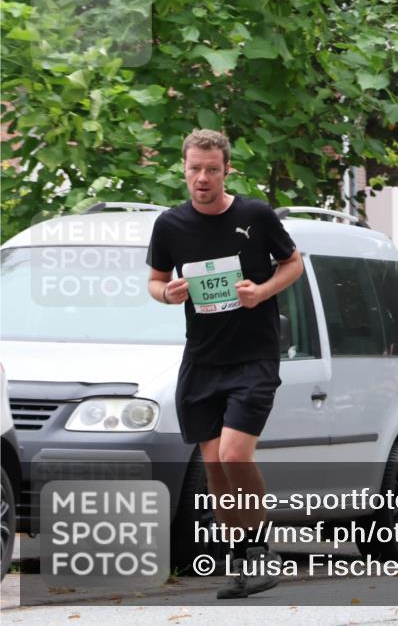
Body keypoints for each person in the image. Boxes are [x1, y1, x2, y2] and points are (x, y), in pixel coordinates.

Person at [146, 129, 303, 598]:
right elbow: (155, 281)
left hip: (253, 357)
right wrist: (167, 293)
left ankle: (260, 551)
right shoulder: (169, 226)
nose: (202, 177)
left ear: (226, 169)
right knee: (214, 466)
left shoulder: (254, 214)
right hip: (201, 361)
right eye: (195, 168)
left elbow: (293, 263)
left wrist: (262, 291)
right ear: (184, 167)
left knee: (236, 454)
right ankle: (241, 558)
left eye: (212, 169)